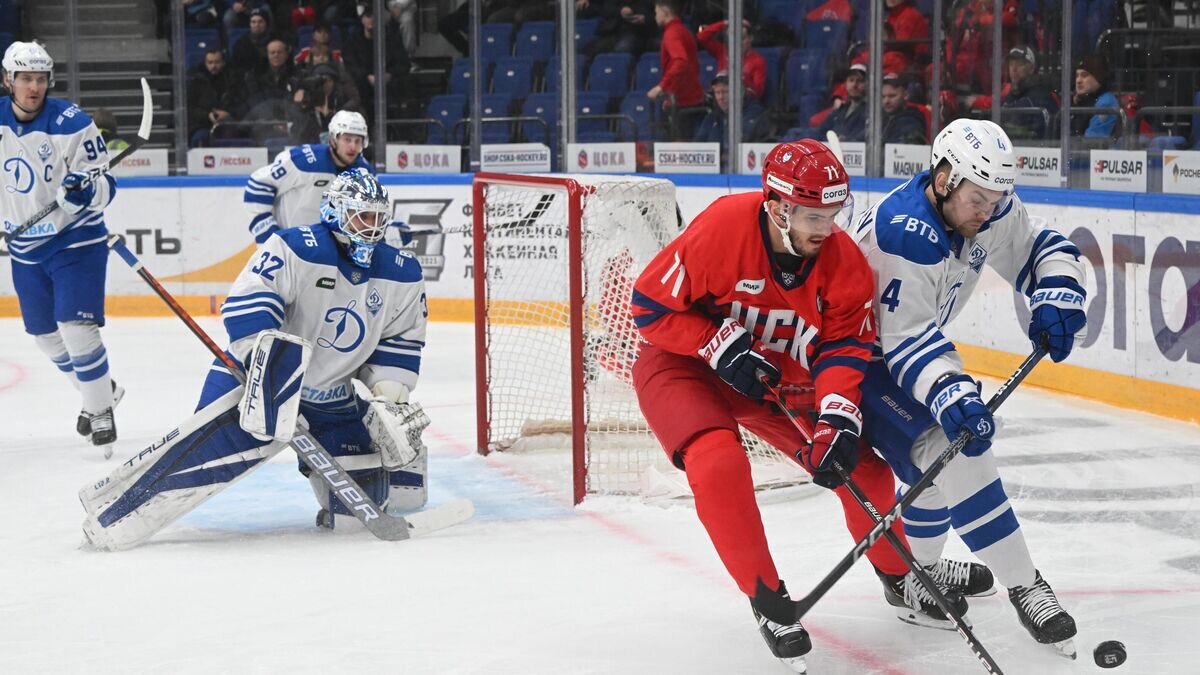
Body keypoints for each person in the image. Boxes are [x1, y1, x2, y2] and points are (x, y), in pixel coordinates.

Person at [629, 140, 970, 672]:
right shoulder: (722, 228)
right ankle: (768, 600)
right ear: (777, 205)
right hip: (684, 365)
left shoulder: (844, 264)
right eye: (812, 214)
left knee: (862, 471)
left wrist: (837, 415)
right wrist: (712, 341)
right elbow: (649, 307)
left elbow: (843, 347)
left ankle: (901, 578)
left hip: (769, 381)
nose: (824, 227)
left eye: (832, 214)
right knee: (718, 461)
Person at [80, 169, 432, 548]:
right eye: (362, 216)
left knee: (355, 522)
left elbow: (401, 343)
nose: (372, 228)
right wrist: (270, 373)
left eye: (379, 218)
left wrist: (388, 398)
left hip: (333, 401)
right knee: (193, 460)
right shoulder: (299, 247)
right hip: (252, 380)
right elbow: (251, 298)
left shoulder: (403, 273)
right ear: (335, 211)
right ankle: (111, 513)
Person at [850, 118, 1084, 654]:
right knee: (950, 452)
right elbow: (905, 338)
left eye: (996, 198)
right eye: (978, 198)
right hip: (858, 357)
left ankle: (919, 574)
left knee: (932, 476)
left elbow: (1038, 247)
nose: (988, 211)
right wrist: (949, 389)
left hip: (904, 349)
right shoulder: (904, 231)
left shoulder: (986, 205)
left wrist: (1058, 288)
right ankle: (1026, 586)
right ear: (944, 177)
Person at [1, 42, 123, 454]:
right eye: (25, 79)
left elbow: (109, 186)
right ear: (8, 81)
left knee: (76, 328)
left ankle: (101, 412)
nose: (34, 87)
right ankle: (102, 392)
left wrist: (86, 193)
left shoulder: (73, 122)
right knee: (44, 337)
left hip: (76, 241)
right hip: (25, 247)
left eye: (40, 79)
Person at [243, 109, 372, 243]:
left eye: (358, 141)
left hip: (329, 254)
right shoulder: (304, 160)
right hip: (289, 250)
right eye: (347, 139)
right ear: (333, 138)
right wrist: (267, 232)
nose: (353, 146)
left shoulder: (364, 172)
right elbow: (259, 184)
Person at [964, 46, 1059, 140]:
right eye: (1011, 64)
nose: (1014, 69)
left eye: (1020, 64)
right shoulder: (1014, 93)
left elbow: (1033, 130)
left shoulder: (1040, 94)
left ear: (1031, 68)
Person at [647, 0, 704, 141]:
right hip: (691, 97)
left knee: (677, 148)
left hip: (680, 100)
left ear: (665, 11)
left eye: (656, 12)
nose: (655, 17)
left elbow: (680, 61)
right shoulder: (684, 31)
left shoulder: (672, 33)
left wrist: (662, 86)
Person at [695, 17, 766, 102]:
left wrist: (740, 80)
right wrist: (727, 23)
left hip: (741, 104)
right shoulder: (722, 51)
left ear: (750, 38)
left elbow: (757, 93)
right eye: (733, 39)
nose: (737, 43)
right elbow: (702, 36)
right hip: (718, 100)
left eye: (742, 38)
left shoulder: (757, 60)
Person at [187, 47, 247, 147]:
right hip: (203, 125)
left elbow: (242, 103)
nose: (213, 66)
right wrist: (207, 115)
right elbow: (190, 109)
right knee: (200, 138)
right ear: (205, 63)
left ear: (223, 62)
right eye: (210, 63)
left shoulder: (233, 80)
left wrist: (228, 114)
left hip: (231, 123)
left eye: (217, 62)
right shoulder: (196, 82)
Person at [692, 73, 768, 149]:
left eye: (726, 92)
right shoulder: (712, 117)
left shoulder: (755, 114)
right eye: (717, 92)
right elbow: (697, 147)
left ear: (741, 92)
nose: (721, 97)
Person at [816, 62, 867, 142]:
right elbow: (821, 133)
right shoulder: (840, 110)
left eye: (859, 81)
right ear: (846, 84)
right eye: (851, 80)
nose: (854, 85)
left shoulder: (871, 112)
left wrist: (847, 140)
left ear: (868, 84)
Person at [1071, 54, 1119, 140]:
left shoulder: (1106, 102)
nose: (1078, 80)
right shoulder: (1081, 99)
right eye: (1077, 75)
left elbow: (1092, 141)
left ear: (1098, 77)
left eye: (1084, 75)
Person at [881, 73, 928, 144]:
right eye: (883, 96)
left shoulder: (911, 122)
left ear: (906, 95)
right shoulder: (880, 118)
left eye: (892, 96)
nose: (886, 101)